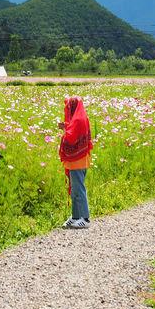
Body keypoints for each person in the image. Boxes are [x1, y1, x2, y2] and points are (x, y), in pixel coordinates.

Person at [59, 96, 93, 229]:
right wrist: (66, 126)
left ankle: (85, 218)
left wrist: (64, 129)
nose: (67, 110)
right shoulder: (79, 118)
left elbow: (70, 138)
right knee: (75, 190)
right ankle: (75, 217)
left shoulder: (79, 119)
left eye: (68, 107)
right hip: (78, 160)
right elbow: (73, 132)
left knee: (79, 188)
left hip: (77, 160)